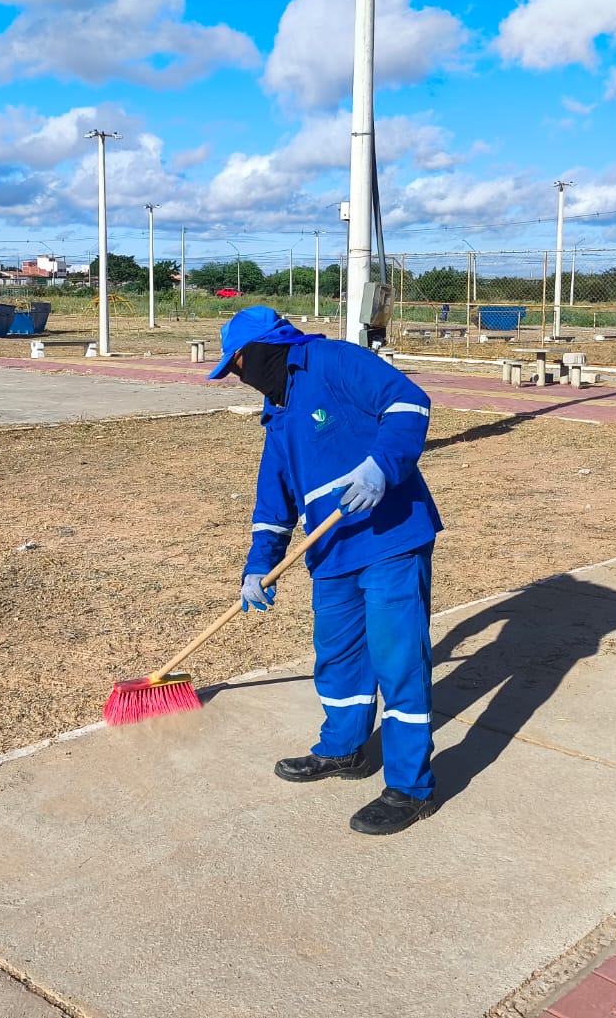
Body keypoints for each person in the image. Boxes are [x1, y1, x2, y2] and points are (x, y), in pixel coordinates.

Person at [209, 306, 442, 835]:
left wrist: (382, 466)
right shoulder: (278, 409)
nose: (237, 377)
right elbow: (274, 501)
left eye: (236, 365)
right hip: (330, 553)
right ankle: (344, 749)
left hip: (389, 538)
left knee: (398, 661)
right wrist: (257, 566)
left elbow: (408, 403)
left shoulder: (333, 360)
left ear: (264, 349)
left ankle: (410, 787)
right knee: (338, 659)